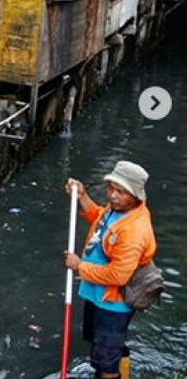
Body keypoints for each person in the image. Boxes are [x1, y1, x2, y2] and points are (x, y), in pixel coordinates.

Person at [63, 161, 157, 379]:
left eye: (121, 191)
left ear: (136, 195)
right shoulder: (118, 210)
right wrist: (82, 197)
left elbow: (118, 275)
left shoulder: (134, 231)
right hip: (98, 295)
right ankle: (119, 368)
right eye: (111, 188)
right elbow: (99, 219)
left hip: (113, 304)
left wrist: (80, 266)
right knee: (104, 350)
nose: (113, 195)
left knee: (106, 362)